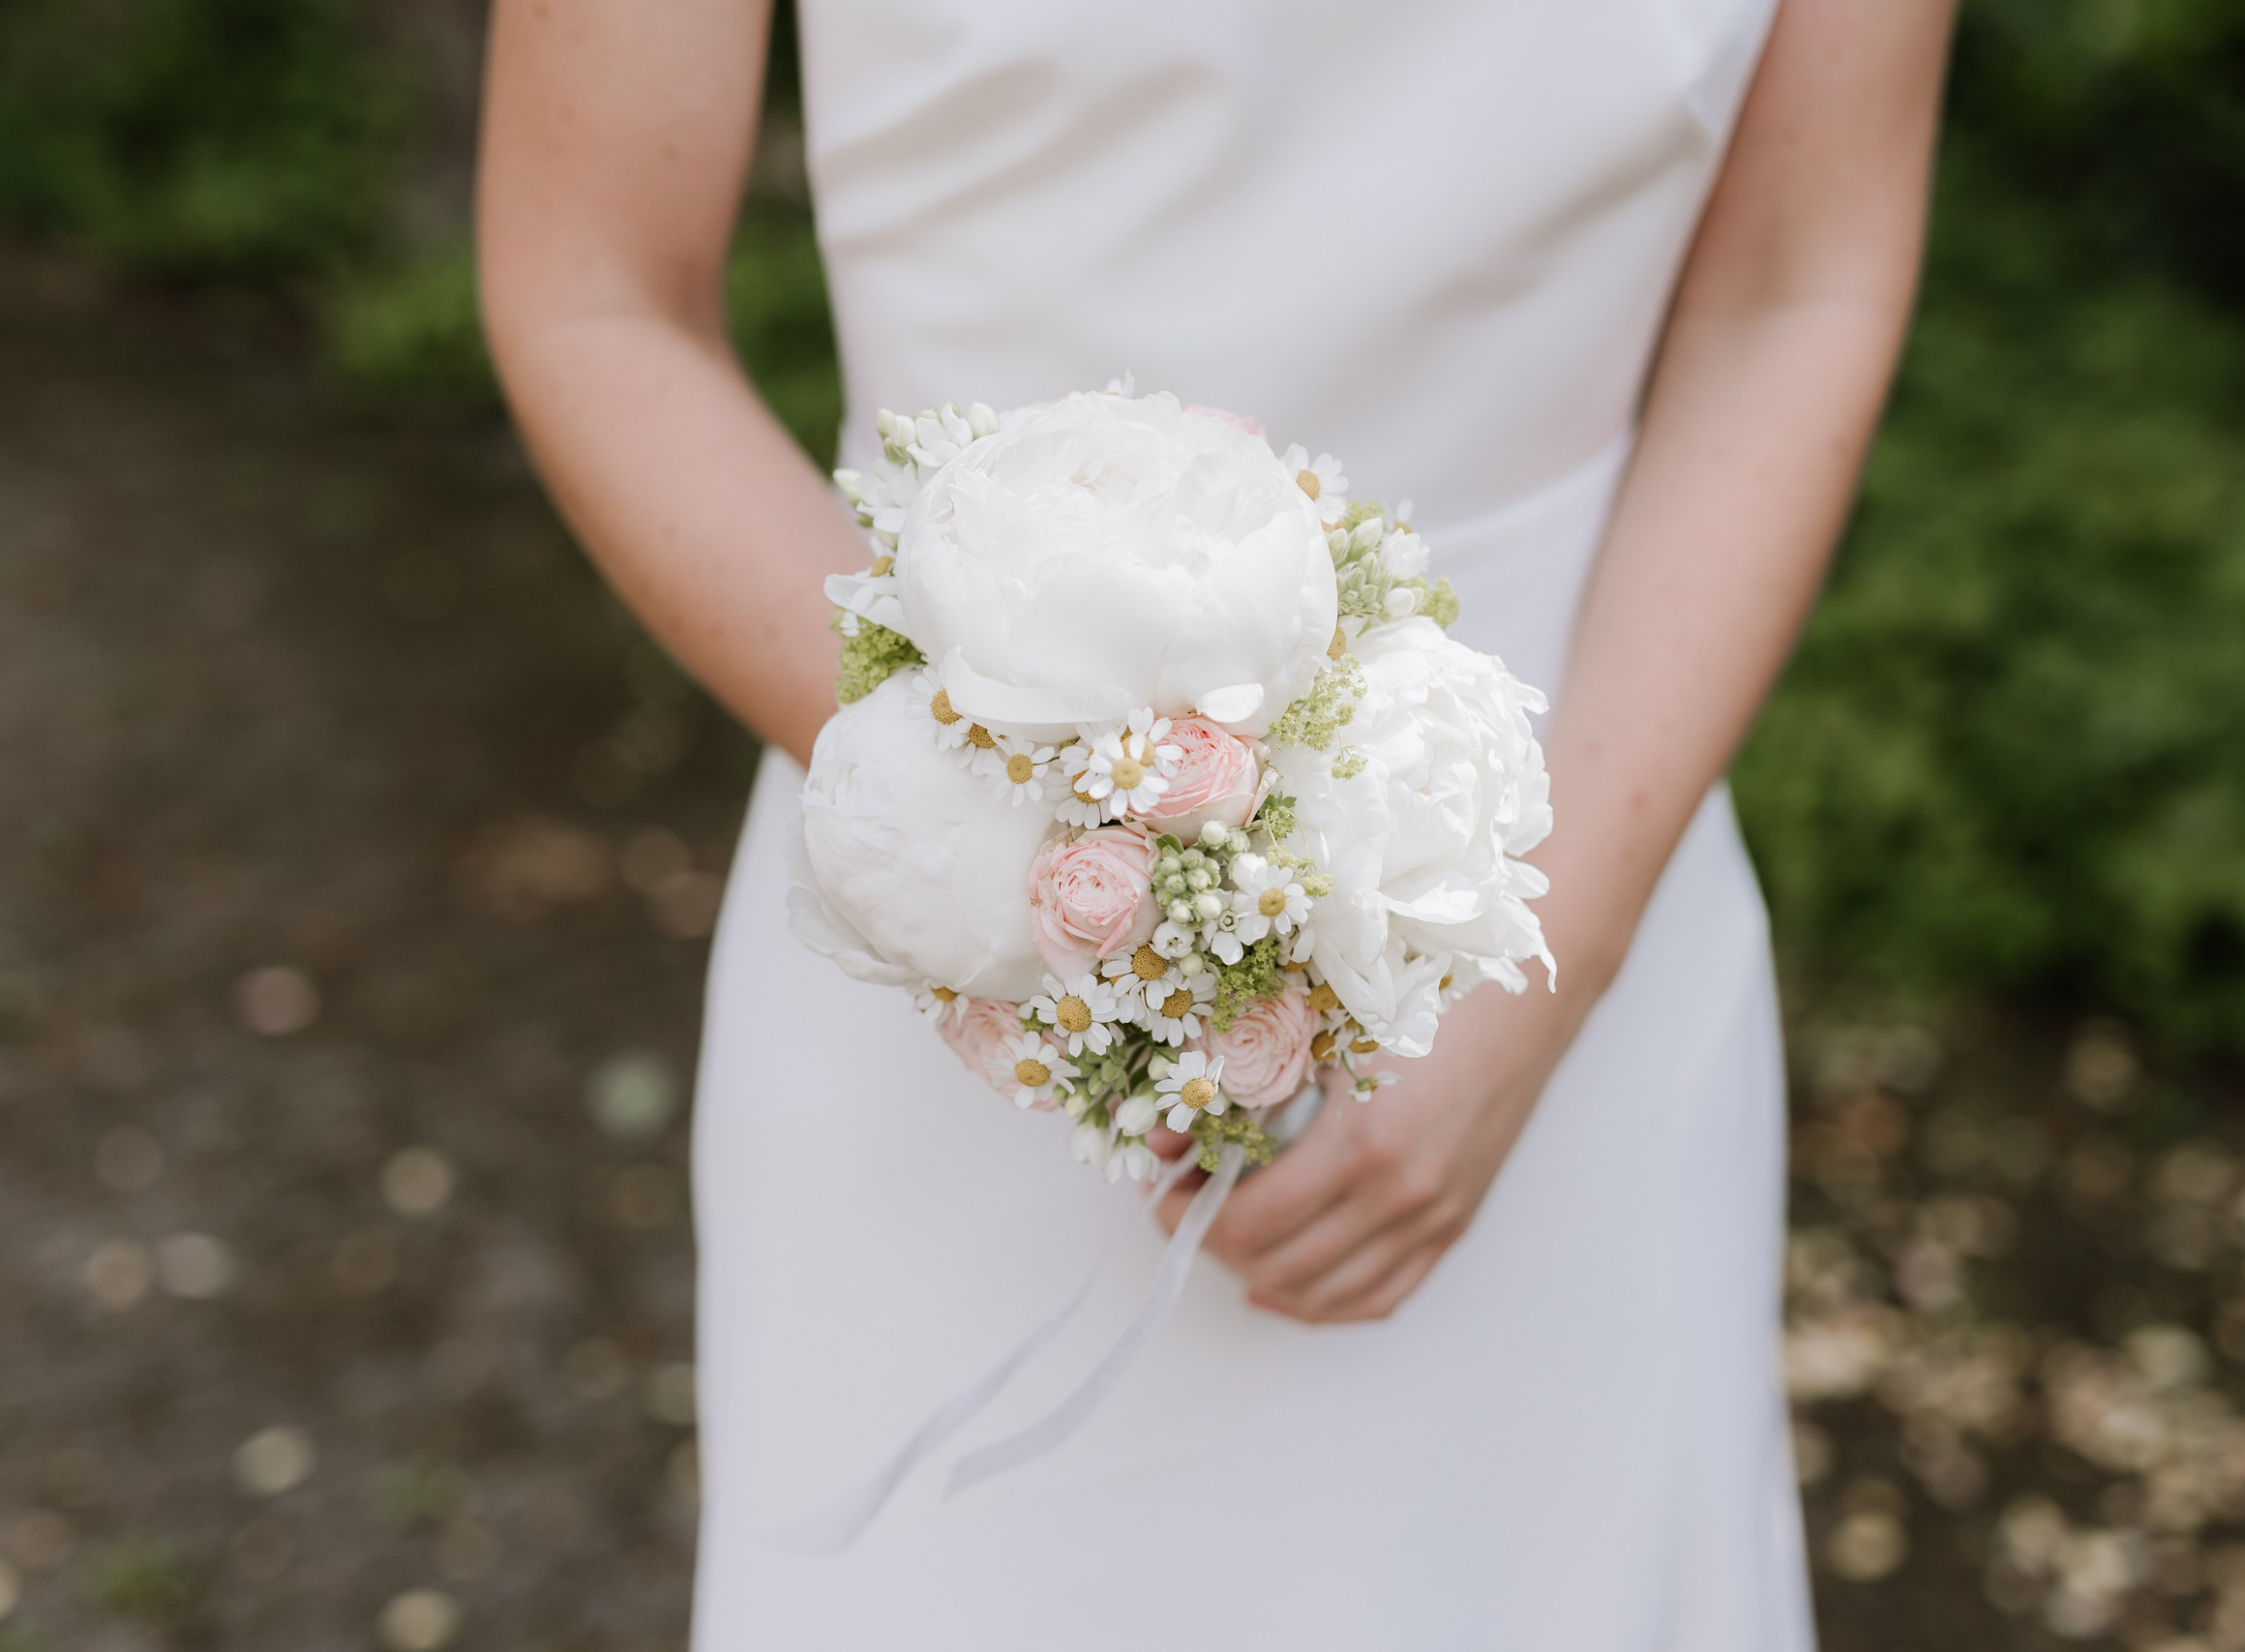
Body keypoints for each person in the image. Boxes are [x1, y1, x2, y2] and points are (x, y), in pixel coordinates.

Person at [478, 1, 1954, 1645]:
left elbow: (1794, 290)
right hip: (943, 964)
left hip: (1582, 860)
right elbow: (596, 289)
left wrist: (1548, 957)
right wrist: (1035, 845)